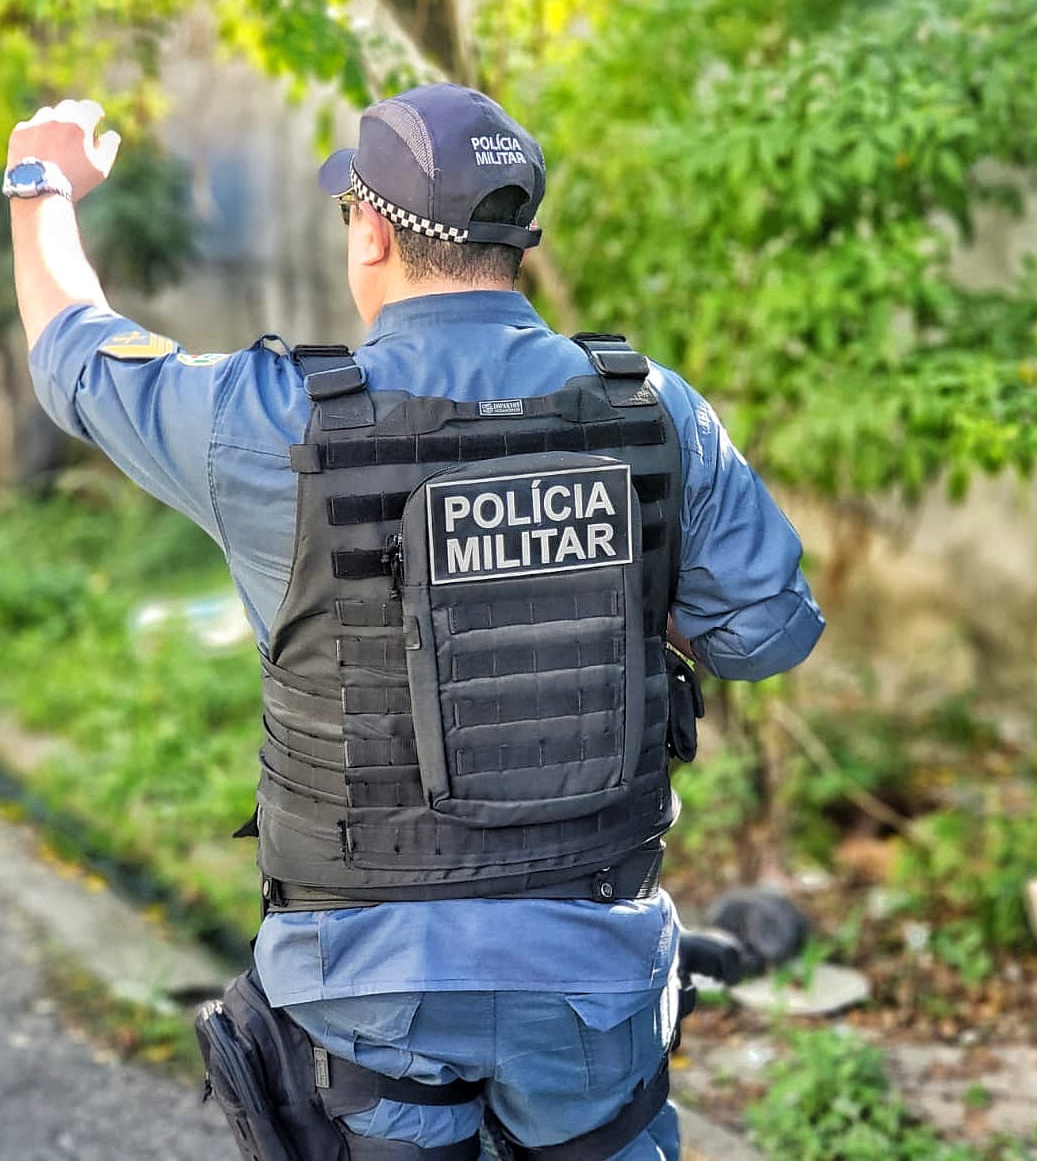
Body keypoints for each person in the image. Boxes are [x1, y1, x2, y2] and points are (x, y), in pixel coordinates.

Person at [7, 86, 823, 1160]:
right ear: (513, 240)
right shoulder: (651, 411)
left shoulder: (273, 421)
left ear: (373, 228)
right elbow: (766, 633)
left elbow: (75, 354)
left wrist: (42, 183)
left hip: (365, 987)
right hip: (589, 971)